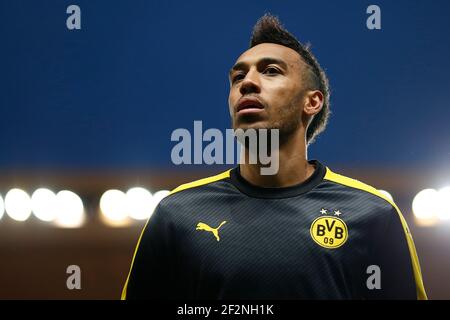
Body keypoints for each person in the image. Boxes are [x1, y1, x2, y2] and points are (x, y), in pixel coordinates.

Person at [122, 14, 427, 300]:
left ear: (312, 101)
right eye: (237, 76)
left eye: (270, 71)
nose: (247, 82)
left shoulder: (373, 214)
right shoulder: (176, 214)